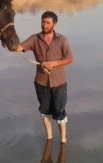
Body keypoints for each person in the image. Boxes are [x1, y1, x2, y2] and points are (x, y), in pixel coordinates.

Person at [15, 11, 73, 144]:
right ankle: (49, 138)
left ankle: (63, 139)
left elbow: (70, 58)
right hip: (41, 82)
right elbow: (19, 47)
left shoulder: (62, 40)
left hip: (59, 83)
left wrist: (54, 63)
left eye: (48, 23)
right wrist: (9, 42)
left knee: (59, 110)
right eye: (43, 22)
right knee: (45, 110)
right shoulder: (34, 39)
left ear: (54, 24)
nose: (44, 25)